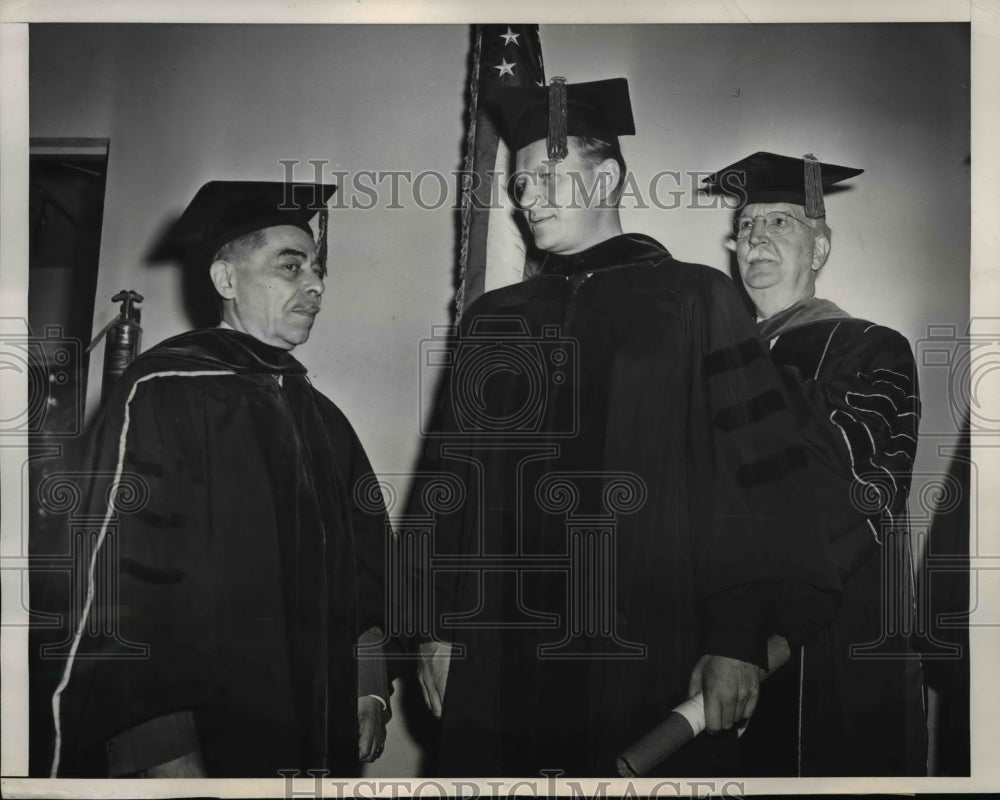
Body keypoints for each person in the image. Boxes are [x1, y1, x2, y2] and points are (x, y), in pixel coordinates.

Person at [410, 79, 844, 777]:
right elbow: (447, 483)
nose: (529, 197)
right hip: (498, 646)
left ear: (608, 177)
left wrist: (736, 639)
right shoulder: (494, 318)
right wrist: (431, 628)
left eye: (550, 176)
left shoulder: (697, 298)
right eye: (521, 184)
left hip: (648, 643)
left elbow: (752, 481)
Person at [47, 181, 391, 778]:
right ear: (226, 279)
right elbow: (116, 582)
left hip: (319, 725)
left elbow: (365, 560)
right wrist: (157, 747)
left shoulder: (321, 416)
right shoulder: (161, 395)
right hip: (204, 738)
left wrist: (368, 682)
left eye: (317, 268)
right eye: (291, 266)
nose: (316, 284)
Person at [702, 151, 927, 775]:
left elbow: (850, 493)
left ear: (820, 249)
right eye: (746, 225)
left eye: (779, 222)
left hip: (831, 638)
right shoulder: (710, 357)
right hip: (719, 641)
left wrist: (748, 629)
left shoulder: (871, 347)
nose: (756, 238)